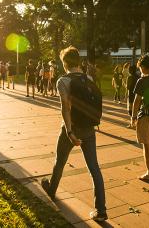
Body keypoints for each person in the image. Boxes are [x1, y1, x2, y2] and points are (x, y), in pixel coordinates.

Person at [41, 46, 107, 222]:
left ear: (64, 63)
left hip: (72, 129)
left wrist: (70, 132)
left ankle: (52, 189)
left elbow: (65, 108)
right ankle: (101, 210)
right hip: (89, 129)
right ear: (78, 61)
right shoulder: (89, 78)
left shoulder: (63, 81)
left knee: (60, 162)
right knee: (94, 169)